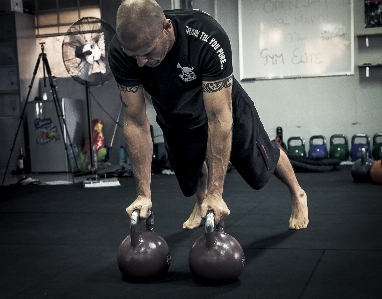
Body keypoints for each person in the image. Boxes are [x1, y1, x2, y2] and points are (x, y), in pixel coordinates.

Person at [108, 0, 309, 230]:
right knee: (188, 180)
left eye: (147, 52)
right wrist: (143, 194)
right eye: (134, 56)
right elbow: (135, 121)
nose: (141, 63)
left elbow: (220, 119)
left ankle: (298, 193)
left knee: (260, 164)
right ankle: (201, 201)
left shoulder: (206, 37)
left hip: (221, 103)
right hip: (175, 112)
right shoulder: (120, 52)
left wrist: (217, 192)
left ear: (167, 28)